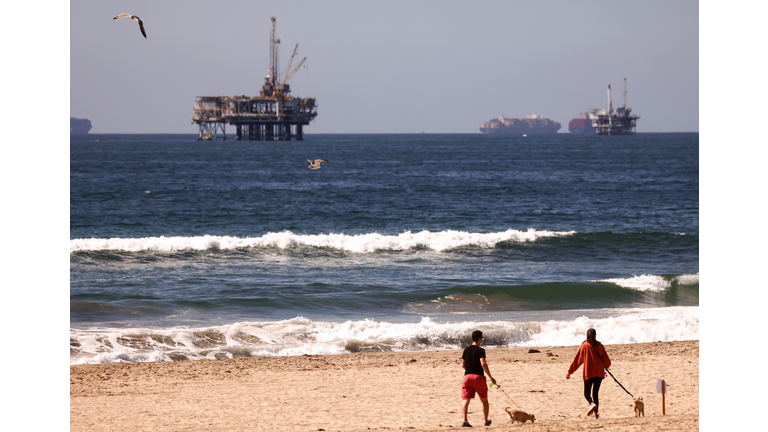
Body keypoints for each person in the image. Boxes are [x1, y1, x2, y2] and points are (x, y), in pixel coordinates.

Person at [566, 328, 611, 419]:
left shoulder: (584, 346)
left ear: (587, 336)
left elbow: (577, 361)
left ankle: (591, 404)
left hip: (589, 373)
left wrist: (569, 372)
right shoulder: (600, 346)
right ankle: (595, 415)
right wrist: (605, 366)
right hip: (599, 372)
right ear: (595, 336)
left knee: (587, 394)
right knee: (595, 393)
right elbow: (607, 362)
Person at [460, 330, 497, 427]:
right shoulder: (480, 350)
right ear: (479, 339)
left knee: (466, 399)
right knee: (484, 400)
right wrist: (490, 377)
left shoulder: (466, 350)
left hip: (467, 377)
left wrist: (469, 370)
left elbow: (463, 365)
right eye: (482, 338)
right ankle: (485, 420)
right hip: (478, 377)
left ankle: (465, 420)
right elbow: (483, 363)